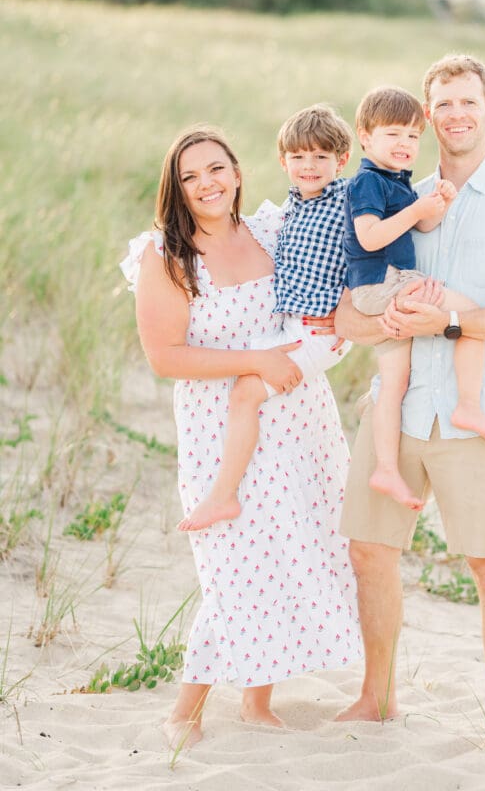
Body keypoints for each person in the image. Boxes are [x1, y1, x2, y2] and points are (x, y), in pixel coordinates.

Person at [333, 53, 485, 742]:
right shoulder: (391, 195)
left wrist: (454, 323)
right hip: (396, 408)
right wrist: (386, 323)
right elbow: (348, 312)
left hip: (477, 412)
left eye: (469, 101)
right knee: (369, 551)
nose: (456, 115)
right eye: (443, 104)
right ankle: (377, 699)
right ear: (426, 114)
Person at [120, 125, 362, 745]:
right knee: (235, 565)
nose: (207, 184)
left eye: (216, 169)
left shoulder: (272, 230)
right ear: (175, 188)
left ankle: (257, 702)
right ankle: (185, 711)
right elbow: (166, 357)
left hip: (298, 416)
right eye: (191, 176)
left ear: (237, 171)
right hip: (218, 423)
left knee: (284, 554)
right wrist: (255, 363)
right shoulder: (167, 256)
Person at [176, 105, 354, 532]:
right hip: (296, 331)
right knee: (245, 376)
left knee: (245, 393)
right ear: (282, 161)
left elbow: (368, 251)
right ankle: (223, 492)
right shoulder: (288, 211)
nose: (308, 166)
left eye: (320, 157)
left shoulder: (346, 202)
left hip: (314, 332)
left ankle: (222, 496)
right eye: (298, 157)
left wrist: (348, 308)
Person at [343, 86, 485, 512]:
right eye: (393, 134)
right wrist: (417, 211)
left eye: (414, 137)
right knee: (470, 313)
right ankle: (469, 405)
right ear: (365, 136)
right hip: (383, 282)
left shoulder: (395, 182)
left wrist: (437, 207)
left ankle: (385, 468)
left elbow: (423, 229)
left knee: (393, 384)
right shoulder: (367, 182)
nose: (405, 145)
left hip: (384, 285)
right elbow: (370, 236)